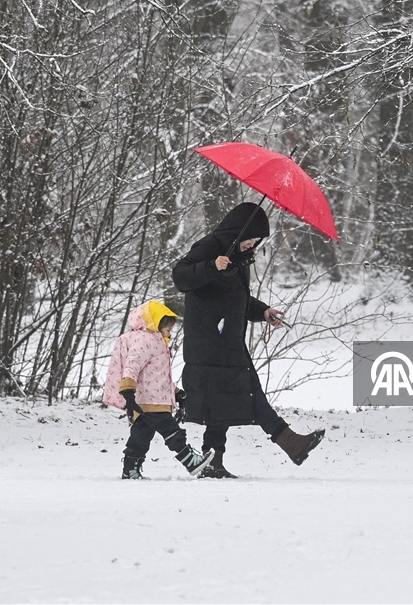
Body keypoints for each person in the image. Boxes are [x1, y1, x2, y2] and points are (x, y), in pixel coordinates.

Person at [172, 202, 324, 478]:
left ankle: (213, 460)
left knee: (225, 399)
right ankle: (289, 442)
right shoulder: (209, 247)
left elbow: (236, 299)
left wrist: (263, 311)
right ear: (236, 231)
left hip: (227, 339)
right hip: (209, 341)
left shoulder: (239, 259)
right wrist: (211, 266)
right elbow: (180, 277)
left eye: (257, 241)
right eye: (250, 238)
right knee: (244, 391)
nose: (252, 244)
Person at [102, 300, 214, 479]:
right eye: (168, 329)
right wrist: (128, 391)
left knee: (140, 437)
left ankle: (130, 470)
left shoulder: (155, 342)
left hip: (149, 399)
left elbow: (157, 375)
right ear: (155, 323)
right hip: (151, 401)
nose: (169, 333)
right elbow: (132, 366)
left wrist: (176, 392)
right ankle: (190, 461)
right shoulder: (145, 340)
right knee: (171, 431)